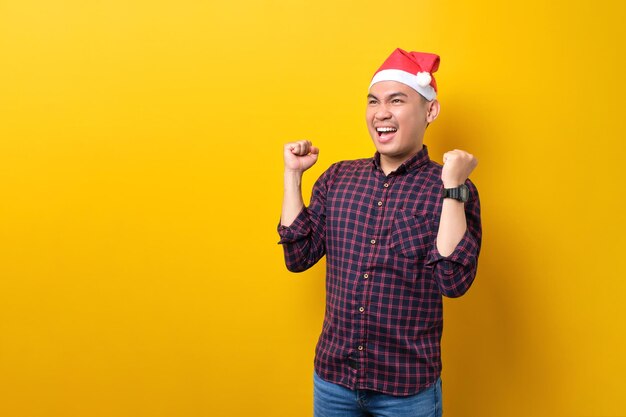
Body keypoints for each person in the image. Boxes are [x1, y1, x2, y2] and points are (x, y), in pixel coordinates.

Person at [277, 48, 482, 417]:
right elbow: (297, 256)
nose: (381, 112)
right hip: (333, 381)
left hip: (407, 391)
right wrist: (293, 175)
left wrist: (452, 186)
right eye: (373, 101)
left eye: (397, 100)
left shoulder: (450, 187)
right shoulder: (339, 177)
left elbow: (453, 282)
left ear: (430, 111)